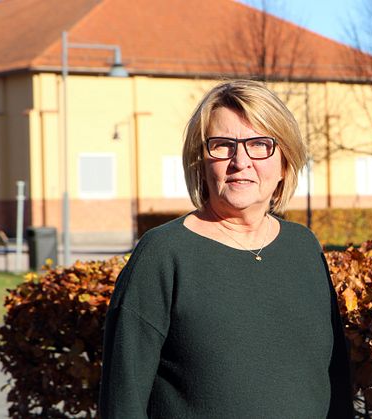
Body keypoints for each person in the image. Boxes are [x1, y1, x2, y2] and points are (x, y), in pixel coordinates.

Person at [100, 80, 353, 418]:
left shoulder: (303, 248)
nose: (240, 161)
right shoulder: (163, 254)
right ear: (200, 163)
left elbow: (334, 381)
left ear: (284, 162)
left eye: (260, 144)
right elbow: (123, 402)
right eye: (222, 145)